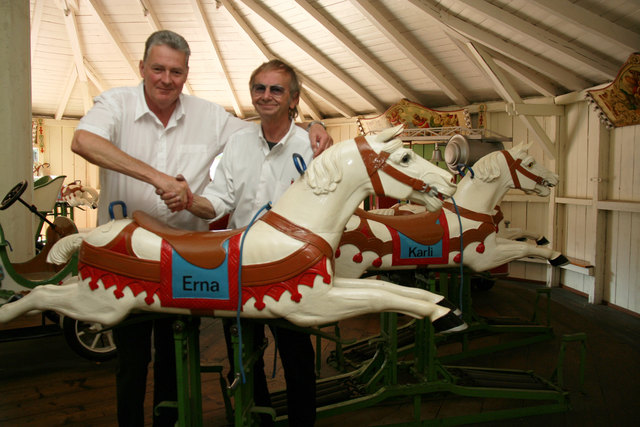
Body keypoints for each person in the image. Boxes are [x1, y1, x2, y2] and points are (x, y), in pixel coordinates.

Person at [71, 30, 331, 426]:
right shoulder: (116, 103)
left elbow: (272, 123)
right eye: (157, 68)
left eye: (175, 71)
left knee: (182, 355)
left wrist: (314, 122)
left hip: (195, 256)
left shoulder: (218, 120)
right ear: (142, 68)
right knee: (135, 361)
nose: (165, 78)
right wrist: (169, 185)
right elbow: (83, 140)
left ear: (186, 74)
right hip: (133, 252)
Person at [174, 59, 317, 426]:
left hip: (290, 268)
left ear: (293, 98)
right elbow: (220, 201)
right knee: (242, 353)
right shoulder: (238, 144)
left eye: (276, 89)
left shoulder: (312, 146)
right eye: (259, 88)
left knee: (297, 356)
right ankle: (257, 418)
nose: (266, 96)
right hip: (242, 265)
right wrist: (191, 200)